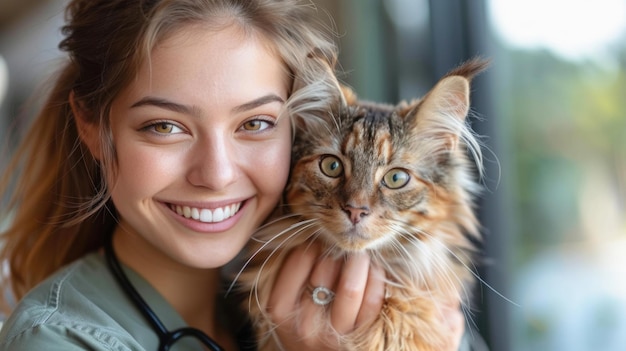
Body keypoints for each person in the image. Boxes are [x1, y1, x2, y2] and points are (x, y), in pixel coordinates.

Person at [0, 0, 467, 350]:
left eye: (255, 124)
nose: (217, 174)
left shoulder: (413, 303)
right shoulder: (56, 339)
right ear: (92, 128)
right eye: (165, 127)